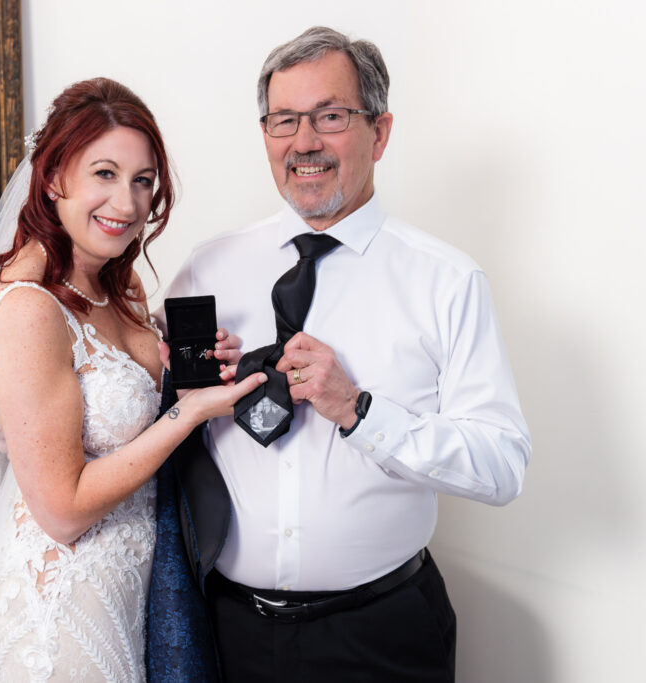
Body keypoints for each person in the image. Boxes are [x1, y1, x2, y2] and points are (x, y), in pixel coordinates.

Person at [159, 27, 532, 680]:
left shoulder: (447, 281)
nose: (304, 142)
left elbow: (501, 465)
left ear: (380, 132)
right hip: (227, 633)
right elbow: (161, 429)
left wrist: (358, 408)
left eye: (330, 116)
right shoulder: (205, 271)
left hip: (383, 635)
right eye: (284, 120)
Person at [0, 77, 264, 682]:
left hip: (135, 585)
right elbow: (61, 510)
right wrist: (186, 414)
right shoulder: (29, 307)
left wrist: (181, 365)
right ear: (55, 177)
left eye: (142, 181)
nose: (129, 204)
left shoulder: (120, 284)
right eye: (105, 174)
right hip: (61, 606)